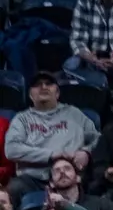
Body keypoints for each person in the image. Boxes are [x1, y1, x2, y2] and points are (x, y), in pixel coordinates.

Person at [5, 72, 98, 201]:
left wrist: (86, 152)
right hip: (33, 181)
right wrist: (52, 155)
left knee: (97, 185)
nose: (43, 86)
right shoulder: (22, 119)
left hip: (72, 177)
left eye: (48, 83)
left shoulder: (74, 114)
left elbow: (98, 139)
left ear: (57, 93)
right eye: (37, 85)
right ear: (31, 95)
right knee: (13, 189)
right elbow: (11, 150)